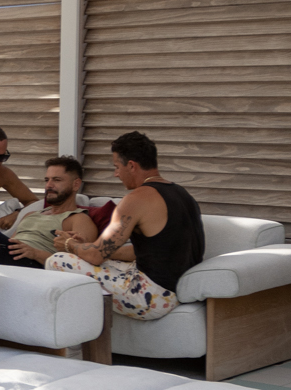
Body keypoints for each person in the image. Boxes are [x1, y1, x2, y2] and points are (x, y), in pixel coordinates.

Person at [45, 130, 203, 322]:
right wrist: (85, 248)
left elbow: (95, 256)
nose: (116, 173)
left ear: (131, 165)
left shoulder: (136, 199)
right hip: (177, 289)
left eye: (117, 166)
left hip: (151, 296)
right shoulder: (182, 194)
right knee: (90, 258)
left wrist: (70, 245)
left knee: (58, 261)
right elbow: (138, 252)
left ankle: (74, 341)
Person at [0, 154, 92, 265]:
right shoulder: (30, 214)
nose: (48, 185)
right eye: (47, 180)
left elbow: (80, 264)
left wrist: (35, 253)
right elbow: (11, 243)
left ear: (76, 184)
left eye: (56, 180)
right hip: (11, 258)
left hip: (33, 263)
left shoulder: (78, 219)